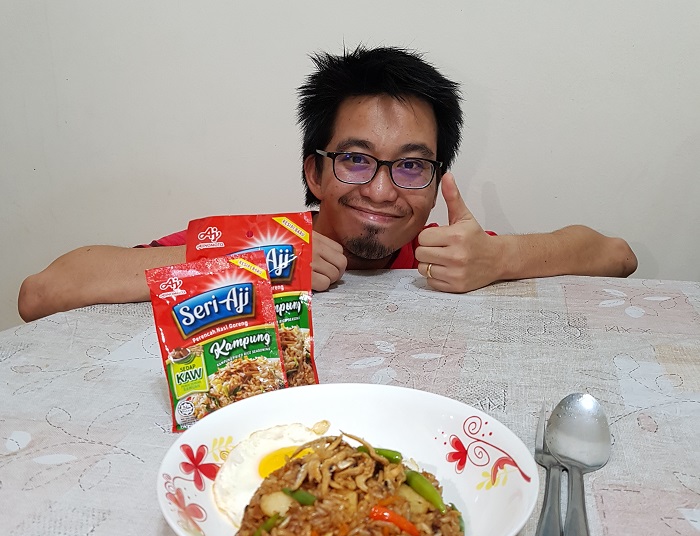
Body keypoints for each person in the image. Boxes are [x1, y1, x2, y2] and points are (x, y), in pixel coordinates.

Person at [18, 46, 637, 322]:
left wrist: (501, 258)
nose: (383, 191)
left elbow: (616, 255)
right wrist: (250, 260)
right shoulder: (256, 242)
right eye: (356, 159)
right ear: (312, 170)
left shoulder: (447, 255)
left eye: (411, 165)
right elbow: (41, 292)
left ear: (436, 181)